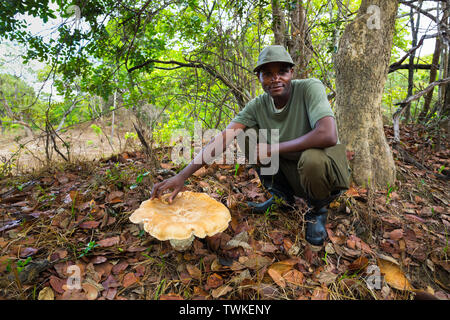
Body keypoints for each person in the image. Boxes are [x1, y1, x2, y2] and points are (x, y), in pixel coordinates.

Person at [151, 45, 350, 249]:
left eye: (282, 72)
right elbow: (222, 138)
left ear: (292, 72)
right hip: (293, 169)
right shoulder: (258, 105)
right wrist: (182, 175)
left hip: (323, 172)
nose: (275, 79)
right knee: (245, 135)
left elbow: (328, 134)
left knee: (312, 159)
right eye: (267, 74)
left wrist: (273, 149)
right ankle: (283, 198)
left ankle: (317, 211)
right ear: (259, 78)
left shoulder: (309, 87)